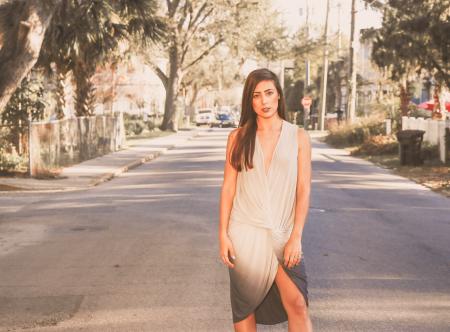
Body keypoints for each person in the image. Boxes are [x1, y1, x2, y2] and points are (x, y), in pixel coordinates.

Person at [219, 68, 313, 331]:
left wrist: (297, 235)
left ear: (279, 96)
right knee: (245, 307)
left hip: (283, 232)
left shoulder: (298, 137)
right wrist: (223, 234)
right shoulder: (237, 138)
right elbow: (228, 187)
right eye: (257, 95)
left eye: (269, 93)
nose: (264, 101)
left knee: (297, 303)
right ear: (250, 101)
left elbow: (303, 189)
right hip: (244, 231)